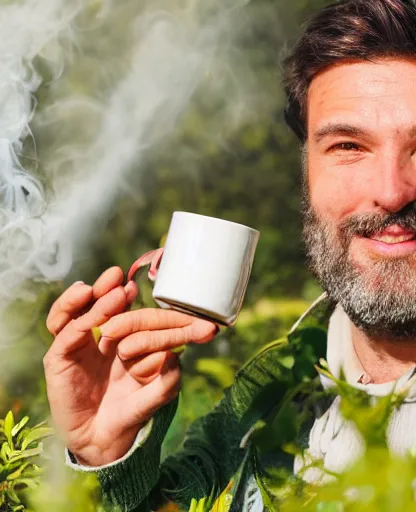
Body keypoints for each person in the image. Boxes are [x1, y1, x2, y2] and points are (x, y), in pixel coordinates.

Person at [43, 0, 416, 510]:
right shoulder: (276, 380)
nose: (393, 192)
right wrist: (110, 455)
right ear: (307, 169)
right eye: (349, 146)